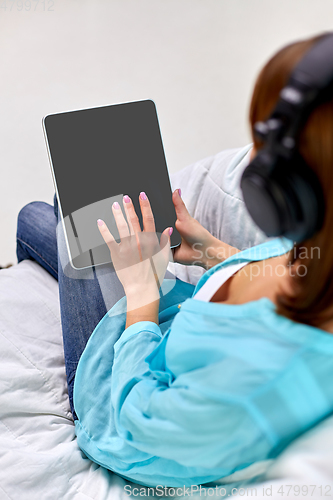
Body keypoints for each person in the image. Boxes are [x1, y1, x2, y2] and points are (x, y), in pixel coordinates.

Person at [16, 31, 333, 488]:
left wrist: (142, 293)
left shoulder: (256, 381)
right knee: (53, 216)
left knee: (55, 214)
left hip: (123, 408)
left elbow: (143, 420)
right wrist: (210, 252)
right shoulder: (319, 252)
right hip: (169, 328)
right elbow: (288, 271)